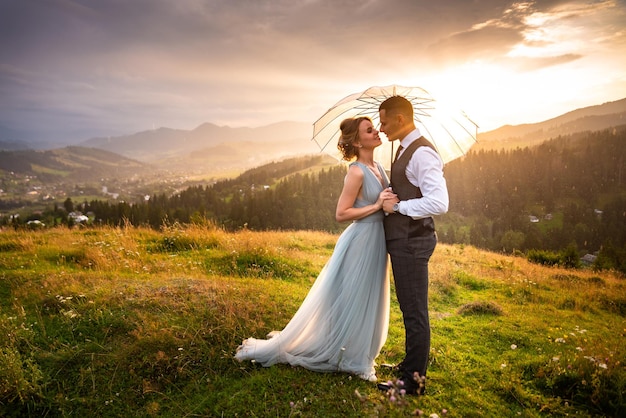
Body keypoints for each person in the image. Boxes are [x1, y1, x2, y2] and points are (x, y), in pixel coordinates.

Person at [235, 116, 395, 382]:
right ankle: (353, 360)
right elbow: (342, 213)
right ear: (357, 141)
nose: (377, 131)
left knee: (370, 297)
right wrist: (377, 206)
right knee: (354, 296)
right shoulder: (356, 171)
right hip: (361, 241)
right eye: (370, 130)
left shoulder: (379, 165)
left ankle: (360, 353)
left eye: (375, 128)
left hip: (378, 240)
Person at [378, 96, 449, 395]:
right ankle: (410, 367)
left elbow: (439, 202)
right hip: (405, 240)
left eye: (384, 121)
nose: (381, 128)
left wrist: (399, 208)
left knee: (415, 312)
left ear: (400, 119)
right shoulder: (405, 148)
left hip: (411, 241)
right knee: (410, 309)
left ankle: (413, 382)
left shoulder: (422, 154)